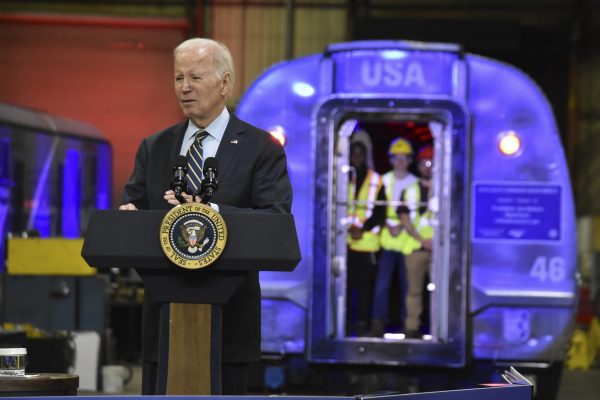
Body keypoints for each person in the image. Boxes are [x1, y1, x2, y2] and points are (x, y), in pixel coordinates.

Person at [119, 38, 292, 394]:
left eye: (195, 77)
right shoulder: (155, 147)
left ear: (225, 83)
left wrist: (207, 212)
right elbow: (131, 208)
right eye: (178, 77)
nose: (184, 87)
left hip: (230, 325)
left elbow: (273, 219)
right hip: (163, 324)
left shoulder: (261, 149)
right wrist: (129, 219)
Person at [367, 138, 418, 337]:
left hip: (408, 243)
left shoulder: (415, 183)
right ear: (390, 159)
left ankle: (409, 325)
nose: (400, 161)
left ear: (410, 159)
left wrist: (403, 227)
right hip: (387, 241)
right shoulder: (383, 180)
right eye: (396, 157)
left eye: (404, 157)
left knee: (409, 287)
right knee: (382, 285)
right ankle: (378, 323)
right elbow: (377, 208)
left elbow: (417, 213)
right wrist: (389, 224)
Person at [397, 145, 434, 338]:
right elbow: (405, 219)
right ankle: (412, 328)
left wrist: (435, 241)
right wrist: (422, 240)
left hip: (439, 250)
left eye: (431, 163)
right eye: (424, 163)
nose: (428, 167)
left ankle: (440, 327)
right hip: (415, 248)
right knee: (414, 291)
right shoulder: (409, 190)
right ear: (419, 166)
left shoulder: (446, 190)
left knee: (440, 292)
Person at [345, 140, 382, 336]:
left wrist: (362, 228)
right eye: (354, 154)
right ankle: (345, 323)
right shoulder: (343, 177)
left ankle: (361, 324)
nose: (357, 158)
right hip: (345, 244)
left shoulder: (376, 180)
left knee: (365, 289)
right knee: (346, 287)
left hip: (367, 245)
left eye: (360, 154)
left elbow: (380, 213)